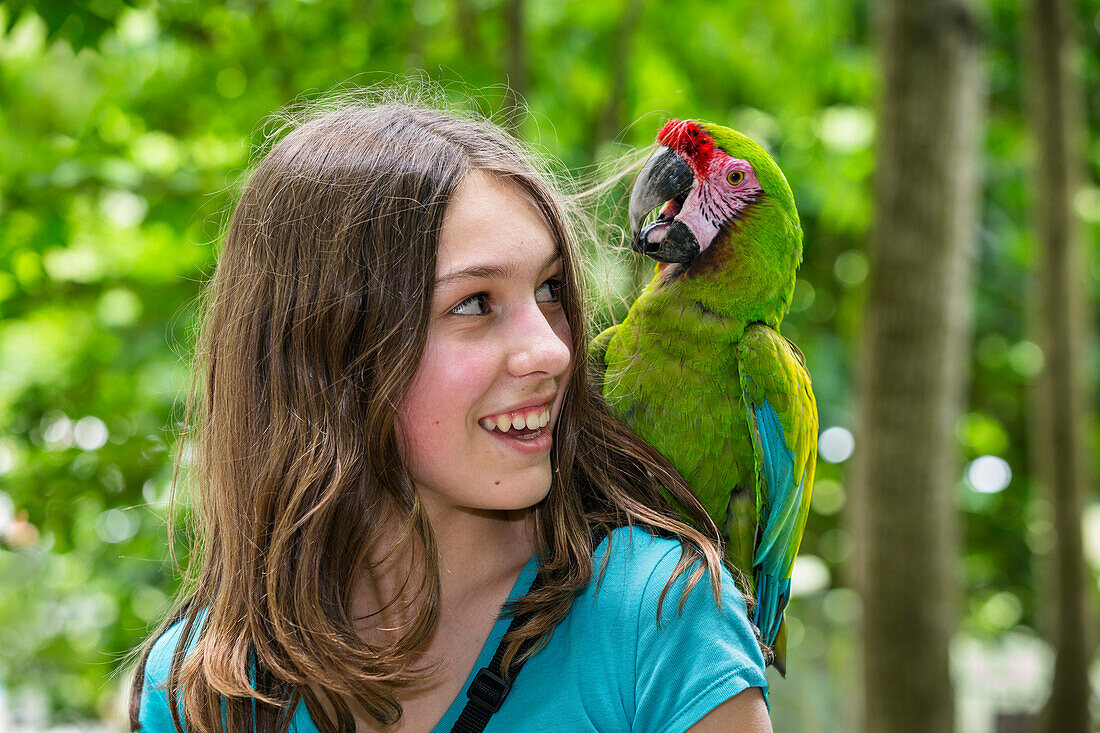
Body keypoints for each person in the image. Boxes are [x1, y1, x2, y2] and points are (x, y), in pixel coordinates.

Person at [129, 94, 772, 733]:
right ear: (332, 352)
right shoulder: (203, 688)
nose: (552, 350)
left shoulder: (664, 620)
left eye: (551, 291)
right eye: (474, 304)